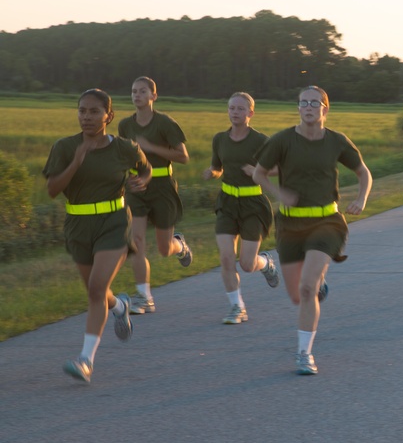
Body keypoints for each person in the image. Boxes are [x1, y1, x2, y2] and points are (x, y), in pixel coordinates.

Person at [252, 86, 372, 375]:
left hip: (326, 222)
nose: (308, 107)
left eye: (314, 103)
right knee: (298, 295)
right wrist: (279, 193)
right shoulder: (282, 140)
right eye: (303, 103)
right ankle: (318, 282)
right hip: (290, 224)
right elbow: (258, 173)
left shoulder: (337, 141)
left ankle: (304, 354)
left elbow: (363, 172)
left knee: (307, 289)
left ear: (325, 109)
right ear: (298, 108)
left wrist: (360, 198)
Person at [43, 89, 152, 383]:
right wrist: (77, 160)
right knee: (98, 293)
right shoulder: (65, 147)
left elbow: (146, 168)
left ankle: (85, 360)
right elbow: (53, 190)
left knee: (95, 288)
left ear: (109, 116)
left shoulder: (124, 148)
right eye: (82, 111)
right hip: (78, 225)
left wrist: (141, 180)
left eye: (93, 111)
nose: (86, 117)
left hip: (113, 223)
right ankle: (120, 305)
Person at [201, 92, 280, 325]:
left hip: (253, 205)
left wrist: (257, 172)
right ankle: (237, 307)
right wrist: (212, 172)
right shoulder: (220, 139)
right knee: (226, 258)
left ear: (250, 113)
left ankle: (265, 263)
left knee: (247, 264)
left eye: (240, 109)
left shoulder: (260, 141)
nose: (235, 112)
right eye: (231, 108)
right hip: (227, 202)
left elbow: (278, 168)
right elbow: (218, 167)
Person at [118, 76, 192, 314]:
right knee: (136, 241)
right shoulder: (125, 126)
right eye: (133, 91)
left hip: (162, 187)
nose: (136, 95)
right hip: (137, 188)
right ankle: (144, 297)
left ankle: (179, 246)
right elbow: (123, 156)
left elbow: (183, 156)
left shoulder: (165, 123)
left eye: (142, 91)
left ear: (153, 96)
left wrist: (149, 148)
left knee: (163, 247)